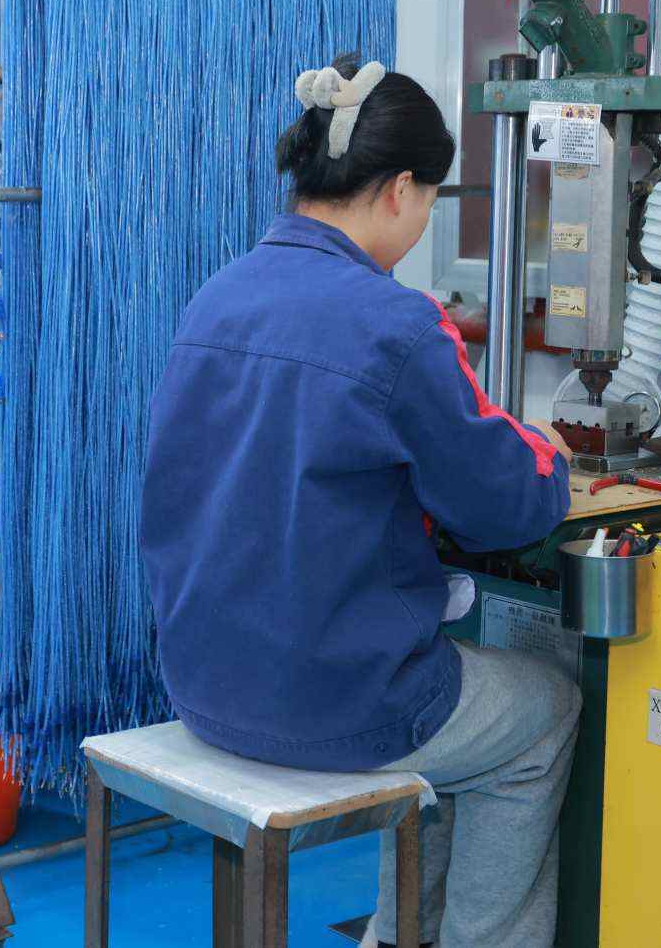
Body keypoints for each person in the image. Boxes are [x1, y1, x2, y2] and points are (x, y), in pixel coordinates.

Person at [139, 56, 579, 948]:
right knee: (544, 712)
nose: (420, 225)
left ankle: (396, 932)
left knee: (454, 702)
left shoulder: (216, 297)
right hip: (331, 703)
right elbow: (501, 506)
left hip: (202, 680)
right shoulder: (397, 324)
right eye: (428, 204)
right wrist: (552, 460)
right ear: (401, 189)